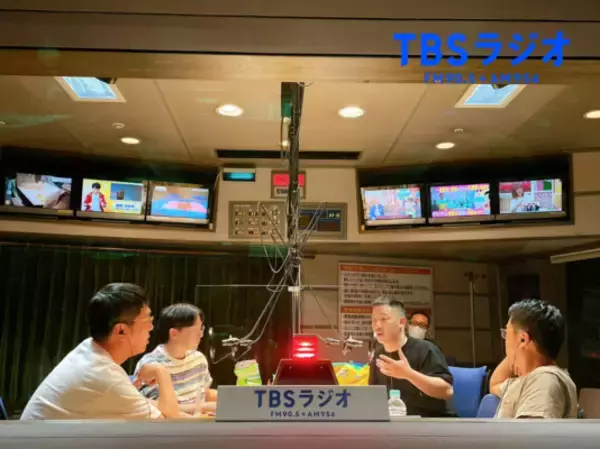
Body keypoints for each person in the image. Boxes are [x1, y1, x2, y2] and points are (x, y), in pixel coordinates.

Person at [21, 283, 180, 420]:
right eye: (147, 321)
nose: (151, 327)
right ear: (121, 330)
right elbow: (168, 426)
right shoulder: (104, 375)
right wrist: (161, 371)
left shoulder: (89, 350)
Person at [490, 299, 577, 419]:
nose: (505, 341)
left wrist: (516, 349)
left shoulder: (544, 380)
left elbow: (530, 431)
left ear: (523, 339)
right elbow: (495, 383)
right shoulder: (526, 380)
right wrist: (515, 352)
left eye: (506, 334)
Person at [369, 295, 454, 417]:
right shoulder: (379, 354)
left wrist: (408, 374)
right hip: (395, 424)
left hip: (430, 422)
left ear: (402, 323)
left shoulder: (426, 349)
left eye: (384, 319)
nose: (377, 325)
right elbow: (373, 395)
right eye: (374, 320)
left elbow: (447, 391)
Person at [135, 303, 217, 415]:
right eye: (196, 329)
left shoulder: (199, 359)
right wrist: (205, 407)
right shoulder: (151, 365)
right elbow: (159, 408)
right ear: (174, 333)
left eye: (202, 328)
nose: (201, 334)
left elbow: (204, 393)